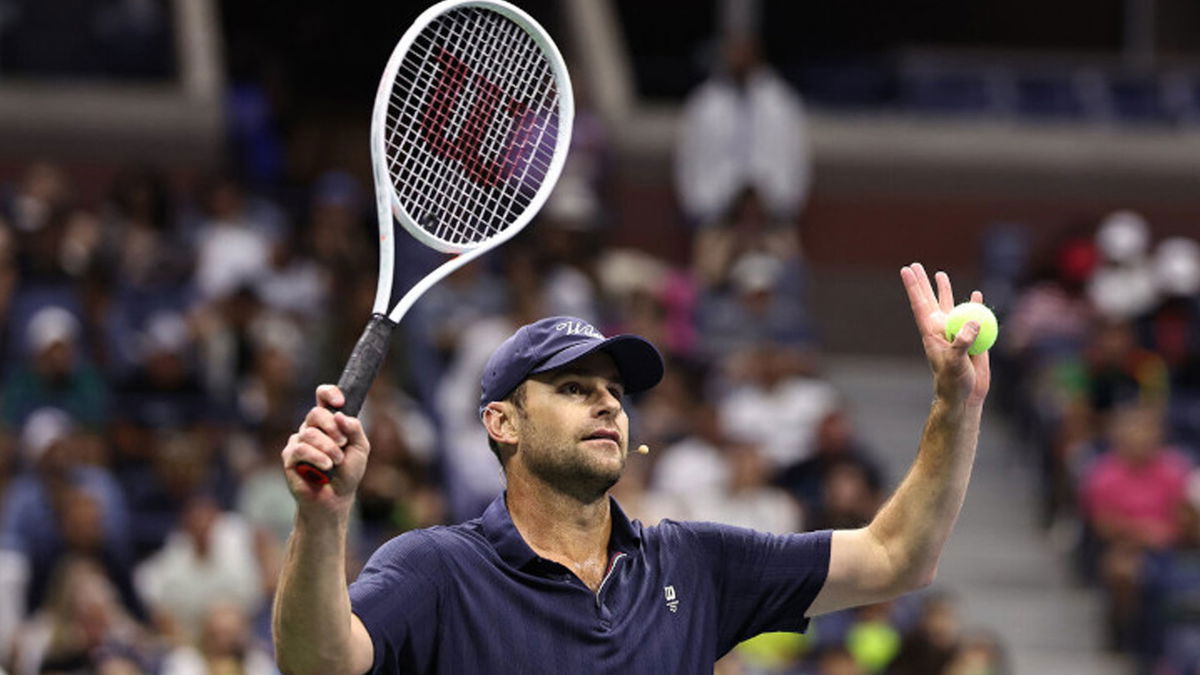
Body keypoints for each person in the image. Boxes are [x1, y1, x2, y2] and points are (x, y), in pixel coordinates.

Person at [272, 263, 991, 674]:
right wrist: (322, 519)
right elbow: (317, 663)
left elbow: (896, 557)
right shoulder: (438, 570)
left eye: (615, 391)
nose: (608, 405)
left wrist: (955, 404)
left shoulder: (695, 564)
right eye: (573, 388)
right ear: (502, 422)